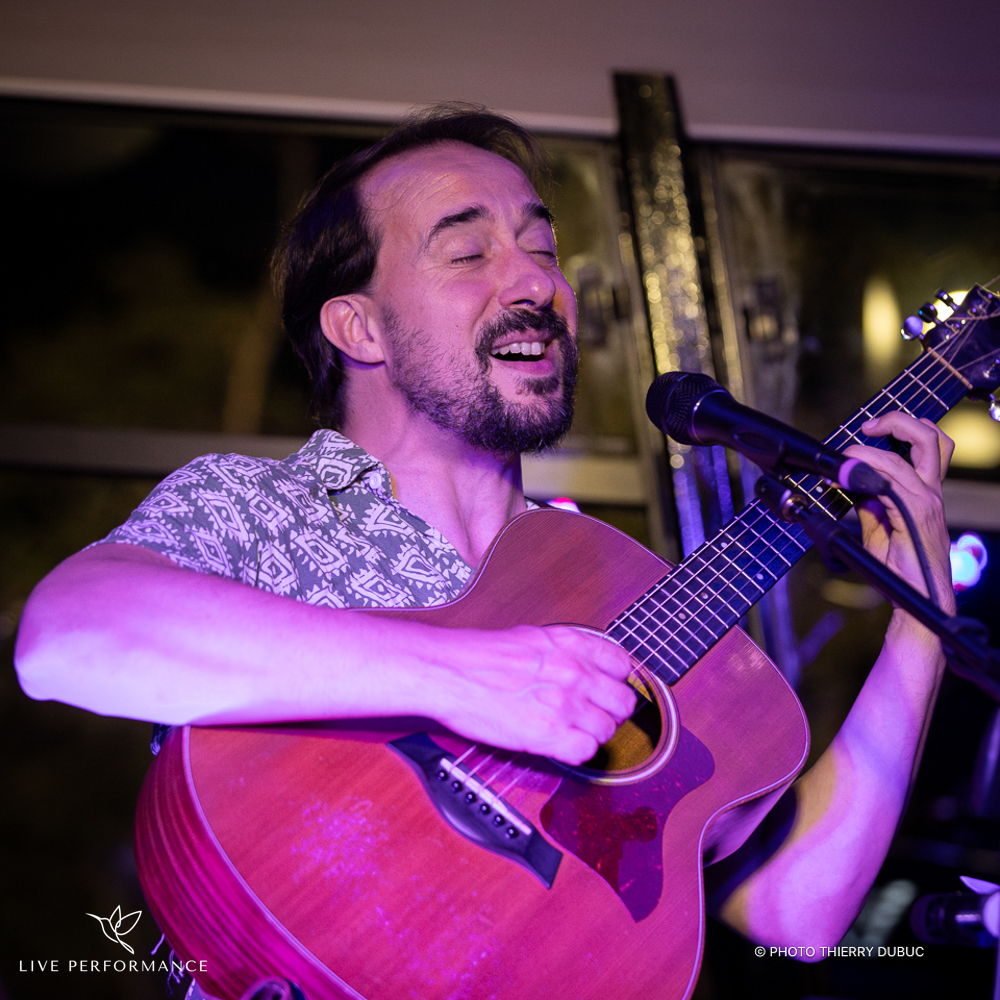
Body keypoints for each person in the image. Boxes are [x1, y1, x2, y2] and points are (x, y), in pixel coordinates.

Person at [15, 105, 954, 964]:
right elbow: (67, 637)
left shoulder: (609, 585)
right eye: (468, 253)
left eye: (543, 248)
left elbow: (798, 911)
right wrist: (470, 679)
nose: (537, 281)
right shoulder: (259, 507)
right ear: (359, 328)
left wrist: (924, 618)